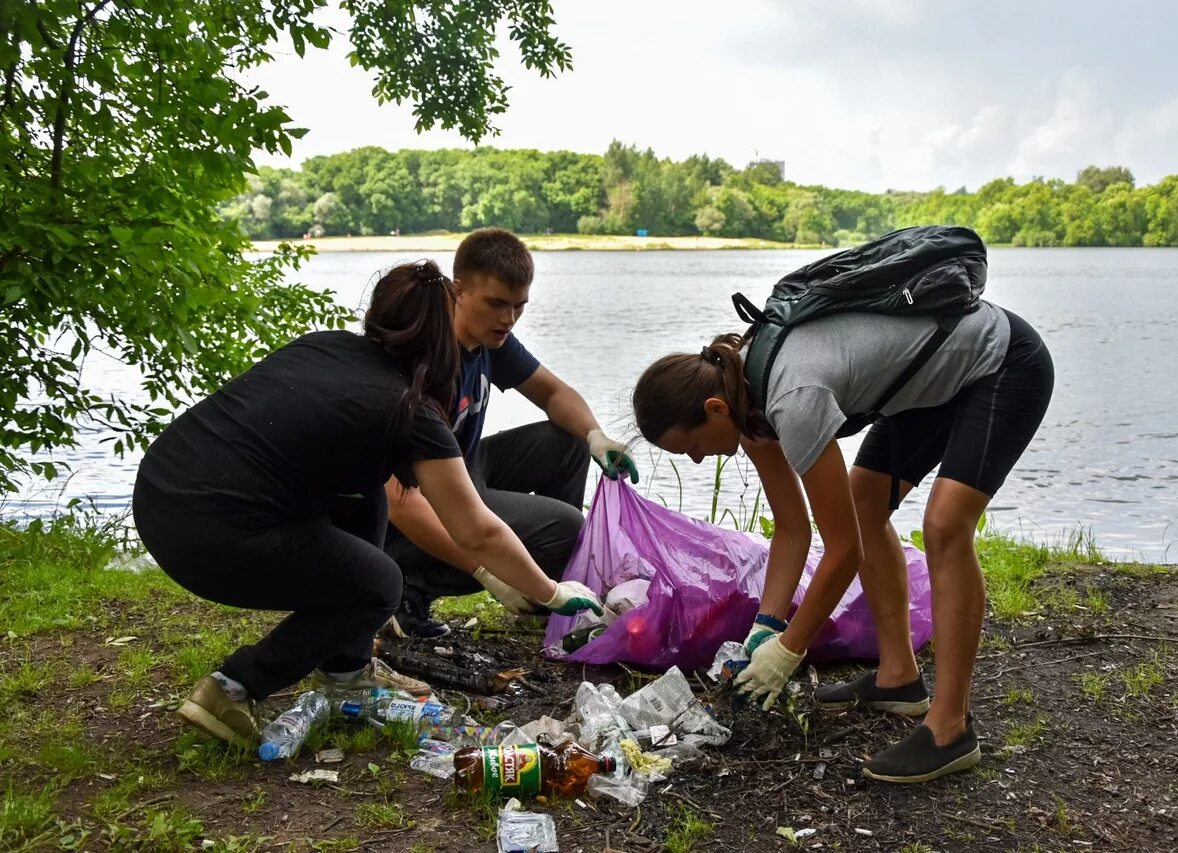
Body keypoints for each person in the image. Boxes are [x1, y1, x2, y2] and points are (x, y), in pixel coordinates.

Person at [133, 261, 604, 748]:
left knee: (367, 504)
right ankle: (233, 686)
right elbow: (476, 530)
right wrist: (549, 592)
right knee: (380, 584)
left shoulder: (326, 346)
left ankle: (347, 672)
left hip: (162, 491)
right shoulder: (408, 407)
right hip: (209, 531)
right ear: (444, 343)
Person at [632, 298, 1053, 783]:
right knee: (865, 503)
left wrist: (790, 648)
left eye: (691, 447)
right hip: (932, 379)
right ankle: (898, 677)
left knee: (944, 526)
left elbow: (844, 550)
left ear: (713, 408)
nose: (699, 461)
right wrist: (765, 628)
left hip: (1000, 361)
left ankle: (951, 728)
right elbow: (792, 528)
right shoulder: (744, 402)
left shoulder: (792, 397)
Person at [383, 229, 638, 636]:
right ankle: (407, 586)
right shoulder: (424, 362)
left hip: (463, 469)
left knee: (568, 442)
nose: (508, 318)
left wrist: (595, 435)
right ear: (459, 290)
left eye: (519, 306)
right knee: (566, 526)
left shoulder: (491, 339)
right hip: (412, 509)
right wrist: (487, 569)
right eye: (496, 304)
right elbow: (396, 498)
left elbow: (553, 392)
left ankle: (552, 587)